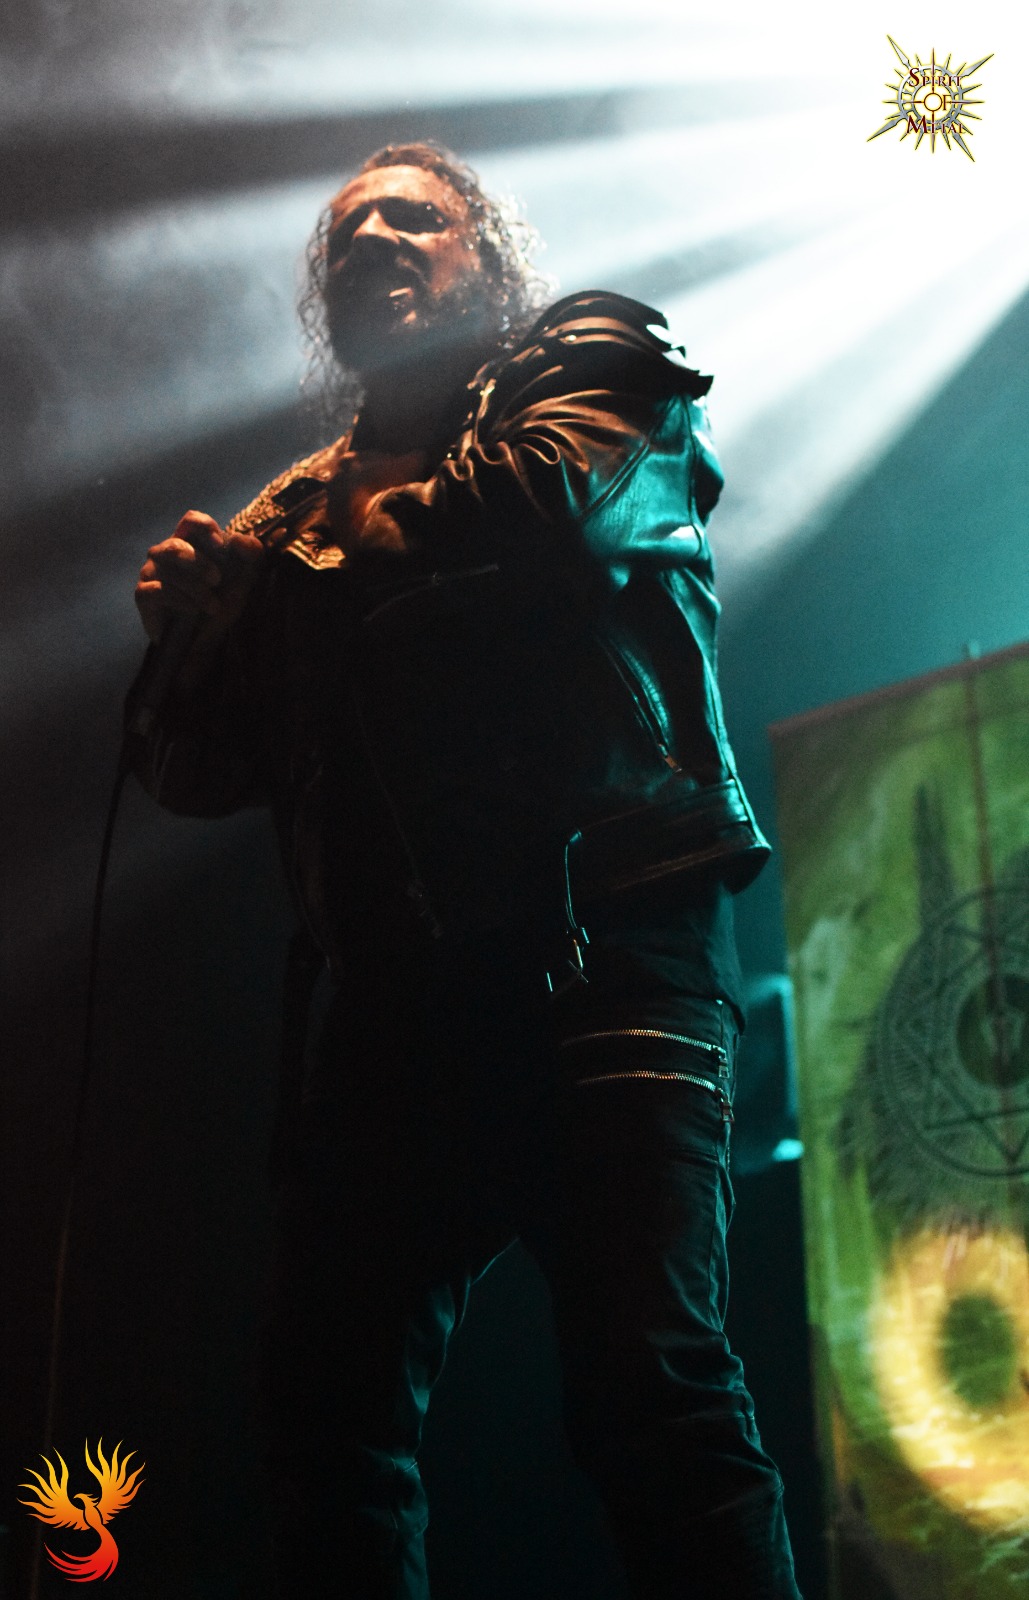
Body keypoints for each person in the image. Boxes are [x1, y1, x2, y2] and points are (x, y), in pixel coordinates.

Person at [127, 141, 801, 1599]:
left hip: (608, 955)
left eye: (412, 218)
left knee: (650, 1393)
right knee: (326, 1423)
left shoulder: (596, 370)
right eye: (344, 233)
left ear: (488, 260)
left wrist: (289, 563)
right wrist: (192, 641)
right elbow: (197, 774)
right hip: (397, 1015)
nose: (371, 239)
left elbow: (533, 515)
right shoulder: (296, 510)